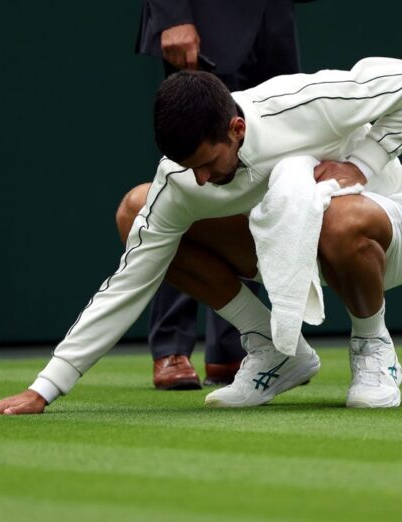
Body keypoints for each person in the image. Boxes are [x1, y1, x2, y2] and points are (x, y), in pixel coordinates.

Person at [0, 56, 402, 415]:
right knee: (136, 210)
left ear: (235, 127)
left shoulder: (304, 103)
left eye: (208, 164)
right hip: (282, 248)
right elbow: (129, 284)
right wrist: (44, 388)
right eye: (191, 169)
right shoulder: (183, 179)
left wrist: (363, 163)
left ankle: (372, 345)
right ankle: (271, 349)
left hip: (390, 233)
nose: (202, 180)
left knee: (339, 220)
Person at [136, 0, 304, 390]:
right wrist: (172, 16)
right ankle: (172, 345)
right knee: (196, 173)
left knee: (264, 166)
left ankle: (234, 346)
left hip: (273, 16)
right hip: (205, 17)